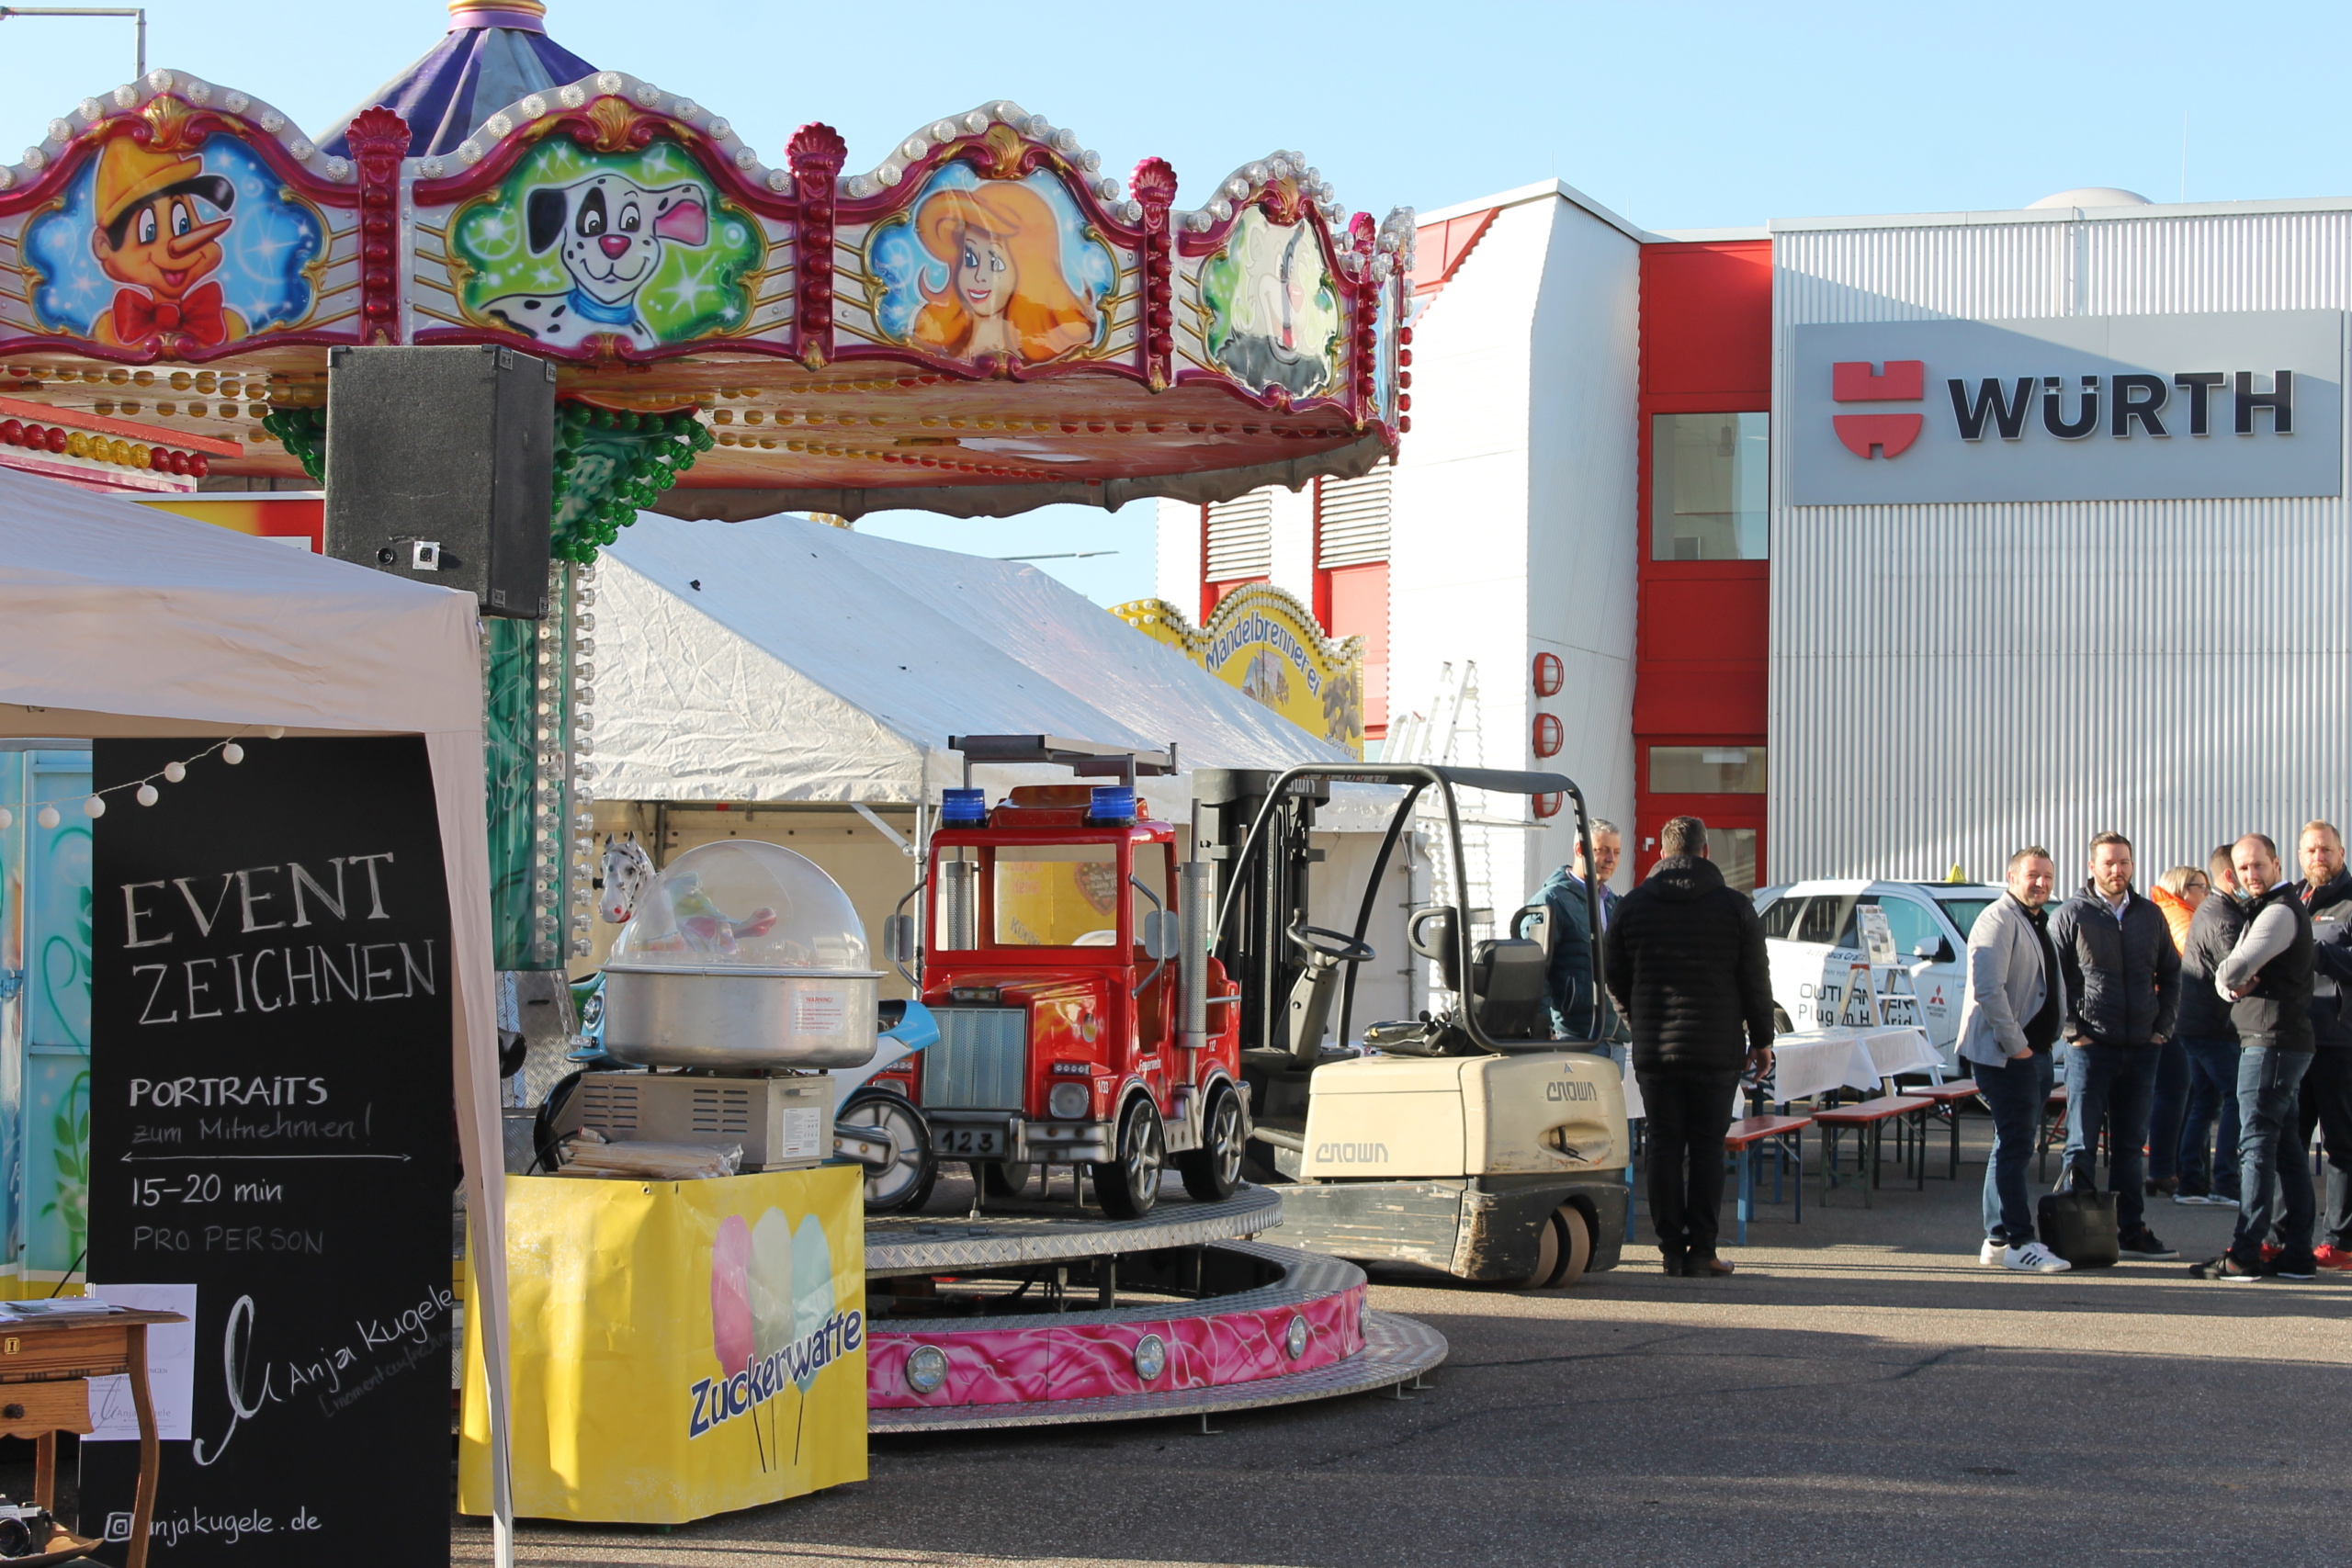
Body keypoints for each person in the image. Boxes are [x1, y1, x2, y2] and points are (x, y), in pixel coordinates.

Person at [1603, 815, 1775, 1279]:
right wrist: (1761, 1040)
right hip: (1716, 1050)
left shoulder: (1632, 906)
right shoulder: (1735, 908)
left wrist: (1638, 1021)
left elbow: (1613, 975)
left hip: (1656, 1051)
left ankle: (1670, 1251)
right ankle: (1702, 1251)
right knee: (1705, 1150)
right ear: (1704, 852)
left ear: (1661, 853)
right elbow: (1756, 982)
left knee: (1661, 1147)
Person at [2048, 830, 2181, 1260]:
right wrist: (2074, 1031)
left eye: (2124, 862)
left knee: (2128, 1144)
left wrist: (2163, 1027)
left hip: (2142, 1047)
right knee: (2082, 1142)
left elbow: (2173, 973)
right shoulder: (2071, 915)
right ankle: (2082, 1232)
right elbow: (2054, 981)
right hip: (2091, 1048)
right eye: (2108, 863)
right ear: (2092, 867)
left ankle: (2131, 1229)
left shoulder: (2150, 915)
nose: (2117, 870)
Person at [2191, 834, 2319, 1280]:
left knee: (2256, 1147)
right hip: (2274, 1041)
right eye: (2243, 869)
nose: (2251, 874)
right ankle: (2296, 1254)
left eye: (2258, 865)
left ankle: (2246, 1252)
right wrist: (2232, 982)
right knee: (2284, 1149)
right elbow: (2230, 979)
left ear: (2277, 864)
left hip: (2270, 1043)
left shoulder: (2280, 912)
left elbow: (2230, 968)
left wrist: (2232, 980)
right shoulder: (2271, 909)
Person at [1957, 847, 2071, 1272]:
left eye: (2047, 876)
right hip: (2008, 1057)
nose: (2040, 883)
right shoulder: (1998, 919)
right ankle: (2022, 1242)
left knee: (2011, 1144)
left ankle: (1998, 1239)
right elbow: (1989, 990)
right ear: (2011, 875)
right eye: (2032, 875)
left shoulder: (2036, 919)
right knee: (2016, 1146)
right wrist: (2016, 1046)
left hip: (2035, 1054)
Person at [910, 183, 1098, 364]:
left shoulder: (1057, 349)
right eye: (970, 259)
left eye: (995, 263)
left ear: (1029, 271)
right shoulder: (933, 337)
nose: (978, 276)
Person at [2291, 820, 2352, 1269]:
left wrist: (2317, 951)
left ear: (2342, 852)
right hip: (2291, 1042)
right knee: (2287, 1141)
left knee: (2341, 1145)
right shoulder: (2291, 899)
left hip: (2339, 1042)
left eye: (2326, 850)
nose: (2319, 858)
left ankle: (2340, 1241)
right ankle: (2283, 1235)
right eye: (2311, 851)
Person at [2173, 846, 2245, 1208]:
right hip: (2213, 1025)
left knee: (2206, 1100)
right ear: (2230, 875)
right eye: (2245, 869)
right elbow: (2239, 969)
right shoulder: (2224, 916)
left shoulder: (2212, 909)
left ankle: (2191, 1181)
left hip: (2197, 1022)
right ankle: (2225, 1181)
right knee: (2235, 1097)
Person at [2143, 865, 2208, 1198]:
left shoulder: (2169, 913)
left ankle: (2172, 1167)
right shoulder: (2180, 918)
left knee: (2183, 1093)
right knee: (2174, 1092)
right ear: (2183, 889)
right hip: (2172, 1017)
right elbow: (2193, 968)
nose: (2207, 894)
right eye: (2202, 886)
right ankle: (2164, 1170)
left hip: (2172, 1016)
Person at [1537, 818, 1624, 1043]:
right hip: (1573, 1037)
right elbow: (1535, 972)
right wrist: (1541, 1028)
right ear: (1580, 849)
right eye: (1603, 850)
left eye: (1616, 852)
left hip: (1615, 1040)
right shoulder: (1552, 900)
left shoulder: (1614, 904)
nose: (1611, 859)